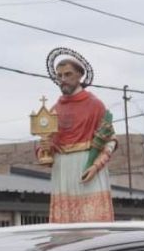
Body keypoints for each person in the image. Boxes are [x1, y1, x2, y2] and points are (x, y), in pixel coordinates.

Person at [39, 54, 117, 223]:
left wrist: (95, 166)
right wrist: (45, 148)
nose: (62, 79)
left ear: (80, 75)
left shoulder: (95, 105)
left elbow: (109, 140)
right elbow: (46, 152)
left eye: (68, 74)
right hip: (62, 172)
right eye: (59, 76)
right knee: (65, 230)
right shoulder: (54, 110)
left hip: (87, 170)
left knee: (93, 227)